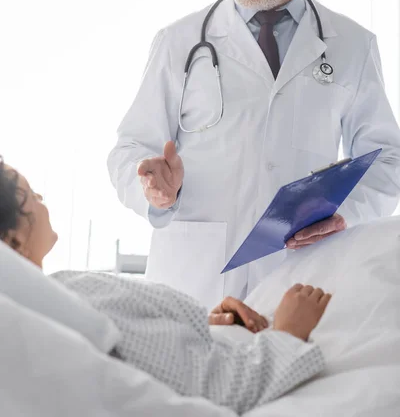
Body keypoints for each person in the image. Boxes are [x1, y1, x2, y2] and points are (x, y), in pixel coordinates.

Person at [107, 0, 400, 310]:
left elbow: (387, 158)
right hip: (192, 281)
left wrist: (349, 211)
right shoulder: (179, 42)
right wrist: (151, 187)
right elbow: (130, 148)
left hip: (296, 279)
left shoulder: (353, 46)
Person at [0, 156, 330, 414]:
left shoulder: (60, 303)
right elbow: (220, 387)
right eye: (32, 195)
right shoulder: (75, 299)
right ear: (13, 238)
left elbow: (147, 350)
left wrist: (197, 324)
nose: (43, 199)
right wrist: (287, 334)